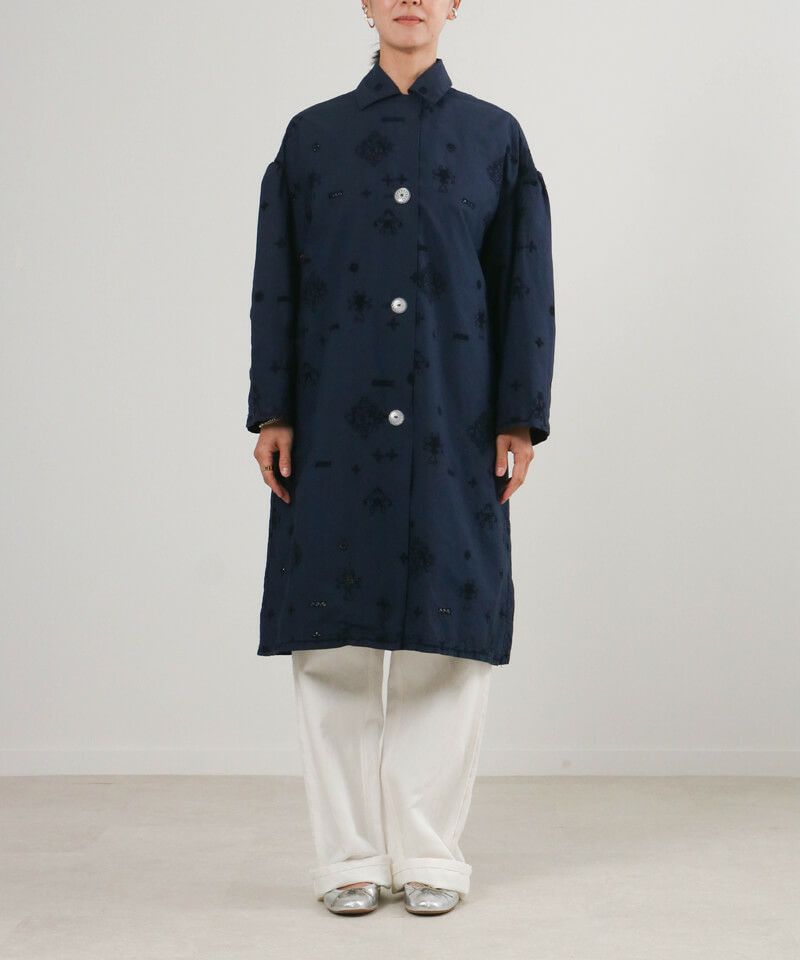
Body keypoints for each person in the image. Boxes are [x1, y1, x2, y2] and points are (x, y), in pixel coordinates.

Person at [246, 0, 555, 916]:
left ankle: (429, 854)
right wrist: (274, 409)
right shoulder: (312, 139)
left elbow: (524, 284)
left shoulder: (494, 139)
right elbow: (276, 282)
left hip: (456, 422)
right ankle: (348, 856)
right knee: (332, 644)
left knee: (445, 644)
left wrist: (519, 417)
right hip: (331, 422)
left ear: (456, 5)